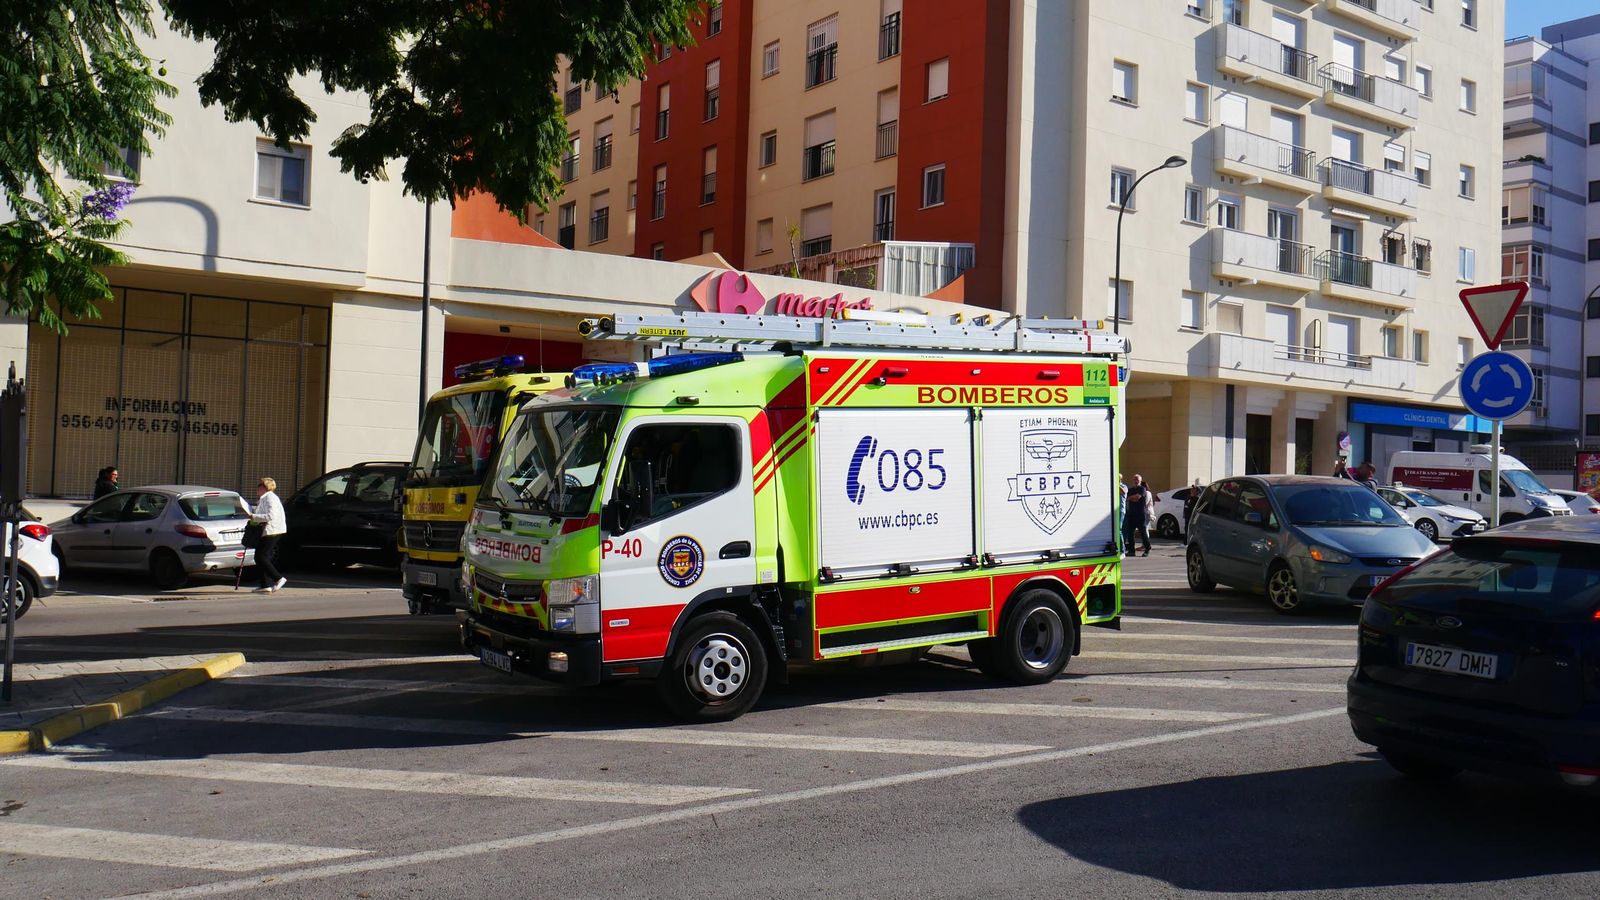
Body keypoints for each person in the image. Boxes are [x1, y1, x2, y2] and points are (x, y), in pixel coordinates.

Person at [250, 476, 288, 593]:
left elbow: (271, 515)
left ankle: (278, 578)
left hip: (272, 530)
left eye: (260, 486)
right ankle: (264, 585)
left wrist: (253, 516)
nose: (257, 488)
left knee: (260, 556)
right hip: (267, 530)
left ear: (266, 487)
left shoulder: (270, 498)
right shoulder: (264, 498)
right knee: (260, 557)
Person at [1124, 474, 1154, 557]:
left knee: (1143, 533)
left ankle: (1147, 548)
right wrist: (1132, 497)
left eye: (1137, 479)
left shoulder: (1142, 489)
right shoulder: (1130, 490)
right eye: (1134, 479)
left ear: (1140, 481)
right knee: (1130, 533)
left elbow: (1137, 497)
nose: (1136, 481)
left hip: (1140, 514)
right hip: (1131, 514)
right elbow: (1128, 498)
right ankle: (1131, 550)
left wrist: (1132, 498)